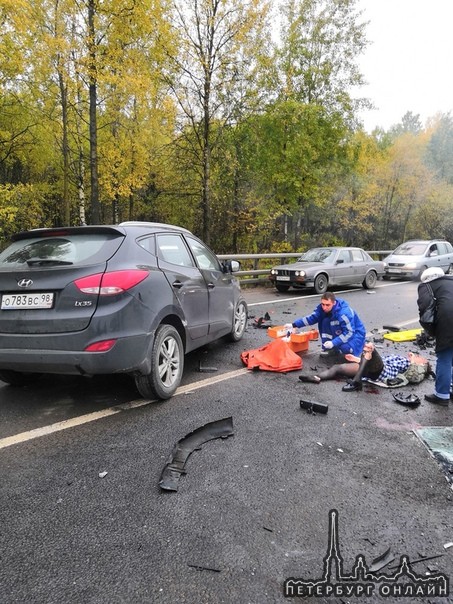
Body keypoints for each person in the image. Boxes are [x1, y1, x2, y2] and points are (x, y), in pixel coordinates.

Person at [298, 342, 428, 391]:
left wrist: (414, 359)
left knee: (369, 347)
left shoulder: (408, 364)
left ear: (422, 363)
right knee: (338, 367)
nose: (417, 355)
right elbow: (372, 360)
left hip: (380, 371)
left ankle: (356, 382)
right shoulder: (407, 359)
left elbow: (381, 363)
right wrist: (356, 359)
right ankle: (316, 377)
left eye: (421, 358)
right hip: (367, 368)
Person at [417, 266, 453, 406]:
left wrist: (432, 332)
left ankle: (442, 395)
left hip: (448, 322)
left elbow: (425, 312)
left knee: (444, 358)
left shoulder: (427, 286)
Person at [292, 292, 366, 358]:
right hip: (342, 331)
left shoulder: (344, 314)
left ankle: (357, 347)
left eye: (327, 305)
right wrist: (294, 325)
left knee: (346, 348)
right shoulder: (322, 308)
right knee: (325, 320)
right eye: (323, 304)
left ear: (334, 303)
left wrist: (333, 342)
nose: (324, 307)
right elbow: (312, 318)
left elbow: (349, 332)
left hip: (356, 334)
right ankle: (332, 349)